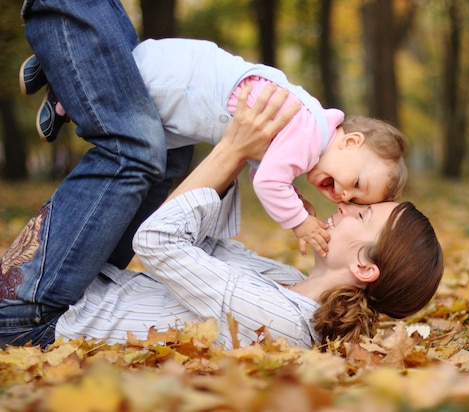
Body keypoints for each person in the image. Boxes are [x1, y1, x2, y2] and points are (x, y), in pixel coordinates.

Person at [53, 89, 444, 351]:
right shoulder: (292, 283)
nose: (342, 204)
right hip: (85, 286)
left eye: (361, 213)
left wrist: (235, 149)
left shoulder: (279, 319)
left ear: (364, 265)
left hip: (51, 315)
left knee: (135, 151)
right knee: (157, 137)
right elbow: (205, 246)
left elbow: (157, 242)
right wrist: (264, 156)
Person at [20, 38, 410, 257]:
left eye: (354, 201)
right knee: (122, 91)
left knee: (123, 109)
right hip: (186, 83)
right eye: (356, 182)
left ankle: (61, 91)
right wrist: (300, 222)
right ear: (351, 141)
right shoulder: (310, 134)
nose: (344, 195)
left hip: (187, 97)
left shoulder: (310, 129)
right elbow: (269, 182)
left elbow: (263, 164)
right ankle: (60, 60)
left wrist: (292, 195)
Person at [1, 0, 194, 349]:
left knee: (167, 151)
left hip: (62, 307)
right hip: (35, 314)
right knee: (135, 149)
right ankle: (67, 56)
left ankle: (68, 62)